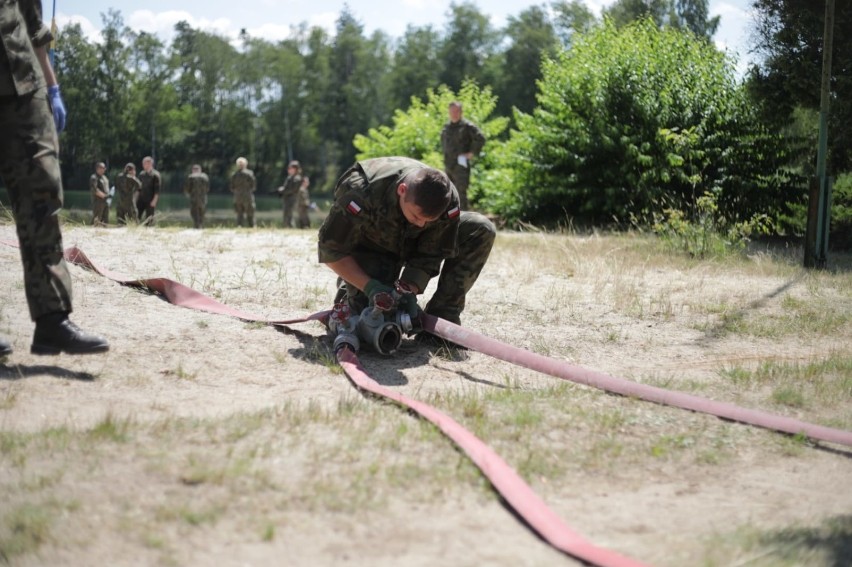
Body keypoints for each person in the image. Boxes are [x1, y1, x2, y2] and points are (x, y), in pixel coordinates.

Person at [0, 0, 108, 356]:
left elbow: (34, 26)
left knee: (43, 190)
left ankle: (52, 320)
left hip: (23, 80)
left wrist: (52, 86)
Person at [317, 156, 496, 339]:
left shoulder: (447, 199)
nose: (421, 224)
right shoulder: (360, 190)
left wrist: (408, 289)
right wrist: (370, 287)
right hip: (372, 246)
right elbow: (330, 250)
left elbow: (430, 253)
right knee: (369, 317)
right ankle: (350, 293)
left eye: (428, 221)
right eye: (417, 217)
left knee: (481, 228)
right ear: (402, 190)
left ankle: (442, 317)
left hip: (412, 244)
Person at [440, 101, 485, 210]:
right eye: (452, 111)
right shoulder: (446, 127)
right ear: (449, 112)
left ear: (461, 112)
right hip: (448, 165)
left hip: (461, 166)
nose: (454, 113)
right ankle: (451, 221)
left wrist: (472, 152)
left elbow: (481, 138)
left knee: (461, 194)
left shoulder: (467, 126)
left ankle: (464, 221)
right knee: (449, 194)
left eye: (457, 111)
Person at [230, 156, 256, 227]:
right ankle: (252, 227)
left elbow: (232, 187)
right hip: (248, 196)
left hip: (237, 197)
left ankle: (239, 227)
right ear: (246, 164)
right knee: (250, 214)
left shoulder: (234, 175)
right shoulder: (250, 174)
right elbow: (253, 186)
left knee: (239, 214)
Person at [276, 160, 302, 228]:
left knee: (289, 215)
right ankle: (286, 227)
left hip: (292, 199)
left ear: (295, 169)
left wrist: (283, 190)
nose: (289, 169)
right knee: (286, 214)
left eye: (291, 168)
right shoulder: (289, 177)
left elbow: (293, 190)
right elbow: (286, 187)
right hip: (286, 198)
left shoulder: (297, 178)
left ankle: (291, 228)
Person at [183, 164, 210, 229]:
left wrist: (187, 193)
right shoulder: (205, 177)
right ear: (200, 170)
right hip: (203, 198)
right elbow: (207, 188)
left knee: (194, 212)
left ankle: (196, 225)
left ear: (193, 170)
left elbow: (187, 188)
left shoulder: (191, 177)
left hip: (194, 198)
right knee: (202, 212)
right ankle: (201, 225)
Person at [136, 155, 160, 226]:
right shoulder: (141, 174)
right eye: (143, 163)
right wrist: (135, 199)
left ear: (150, 164)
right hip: (141, 199)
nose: (143, 165)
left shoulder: (155, 175)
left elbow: (157, 190)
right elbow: (138, 188)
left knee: (149, 218)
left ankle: (148, 231)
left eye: (145, 163)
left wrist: (154, 201)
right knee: (137, 216)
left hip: (150, 200)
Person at [89, 161, 109, 226]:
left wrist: (108, 196)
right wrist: (104, 196)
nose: (104, 169)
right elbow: (95, 190)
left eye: (104, 168)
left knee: (105, 220)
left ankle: (104, 232)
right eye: (102, 168)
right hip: (98, 202)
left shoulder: (104, 177)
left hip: (105, 202)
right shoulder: (94, 177)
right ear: (98, 168)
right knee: (97, 219)